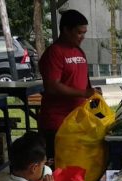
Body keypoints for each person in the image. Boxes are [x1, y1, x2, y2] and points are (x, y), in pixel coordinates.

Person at [38, 9, 95, 164]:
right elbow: (52, 86)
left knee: (77, 166)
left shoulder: (79, 51)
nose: (83, 37)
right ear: (66, 30)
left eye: (84, 32)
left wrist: (93, 93)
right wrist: (83, 93)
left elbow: (85, 81)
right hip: (57, 123)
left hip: (78, 121)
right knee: (58, 168)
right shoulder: (54, 53)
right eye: (79, 33)